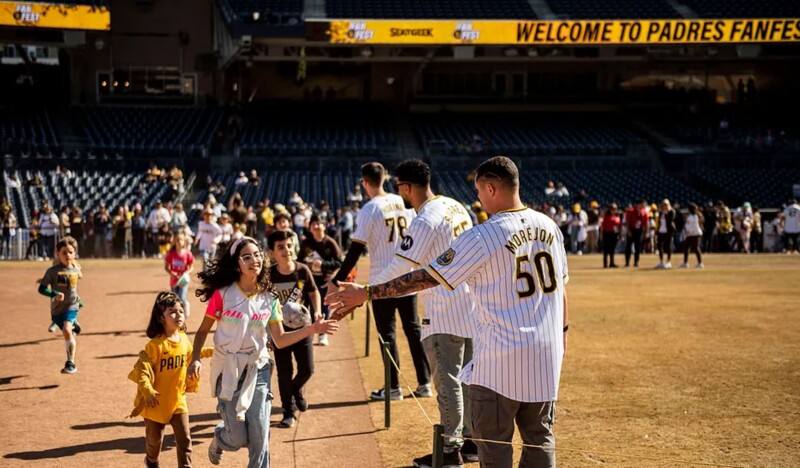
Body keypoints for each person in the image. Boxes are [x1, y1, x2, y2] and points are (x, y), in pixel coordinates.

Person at [328, 156, 569, 468]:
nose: (478, 198)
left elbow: (422, 276)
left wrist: (367, 292)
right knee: (540, 441)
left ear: (492, 188)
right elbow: (563, 289)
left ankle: (452, 449)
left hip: (499, 359)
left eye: (480, 191)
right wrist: (563, 335)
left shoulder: (485, 234)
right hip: (546, 357)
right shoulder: (549, 225)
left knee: (493, 444)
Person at [343, 159, 478, 467]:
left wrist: (364, 292)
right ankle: (472, 442)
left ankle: (450, 452)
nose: (398, 193)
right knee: (468, 378)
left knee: (448, 381)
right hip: (470, 304)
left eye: (399, 187)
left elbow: (401, 265)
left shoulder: (425, 217)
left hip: (445, 310)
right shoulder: (455, 205)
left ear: (407, 186)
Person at [188, 236, 338, 468]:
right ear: (236, 263)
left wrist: (314, 328)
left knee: (260, 436)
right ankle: (221, 437)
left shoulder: (270, 298)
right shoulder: (222, 294)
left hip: (258, 368)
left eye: (257, 255)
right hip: (227, 369)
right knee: (238, 438)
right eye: (246, 257)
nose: (254, 261)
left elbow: (279, 339)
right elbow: (202, 331)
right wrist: (195, 359)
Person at [327, 162, 431, 404]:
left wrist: (337, 279)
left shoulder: (370, 208)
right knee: (413, 330)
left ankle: (393, 387)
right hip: (407, 277)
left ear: (365, 183)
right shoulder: (402, 202)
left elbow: (355, 249)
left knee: (388, 334)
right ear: (384, 178)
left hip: (381, 280)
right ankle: (425, 382)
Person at [129, 292, 214, 468]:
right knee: (154, 442)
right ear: (161, 318)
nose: (179, 315)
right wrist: (148, 391)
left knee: (185, 439)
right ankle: (151, 461)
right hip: (155, 402)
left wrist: (215, 350)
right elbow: (142, 371)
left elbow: (192, 355)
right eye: (172, 312)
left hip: (177, 399)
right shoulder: (155, 346)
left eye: (181, 311)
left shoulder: (183, 338)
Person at [268, 230, 321, 429]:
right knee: (284, 372)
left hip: (302, 329)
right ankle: (288, 412)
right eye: (280, 247)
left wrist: (317, 312)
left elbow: (313, 292)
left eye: (289, 246)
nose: (286, 250)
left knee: (307, 369)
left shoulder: (302, 270)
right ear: (272, 252)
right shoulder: (269, 275)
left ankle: (296, 389)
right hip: (280, 332)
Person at [38, 236, 84, 374]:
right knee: (66, 329)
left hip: (72, 306)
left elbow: (73, 285)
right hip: (57, 310)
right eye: (64, 252)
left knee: (66, 330)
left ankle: (71, 363)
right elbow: (41, 289)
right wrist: (53, 294)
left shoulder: (76, 269)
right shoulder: (52, 271)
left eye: (70, 252)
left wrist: (78, 301)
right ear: (57, 254)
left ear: (75, 254)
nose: (68, 255)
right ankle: (74, 324)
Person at [300, 214, 342, 346]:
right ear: (310, 228)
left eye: (319, 224)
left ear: (325, 226)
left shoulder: (330, 242)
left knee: (324, 307)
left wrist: (323, 264)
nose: (316, 227)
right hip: (309, 281)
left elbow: (339, 262)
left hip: (324, 281)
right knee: (307, 307)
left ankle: (323, 334)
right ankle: (307, 334)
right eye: (313, 225)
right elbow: (300, 260)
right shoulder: (306, 243)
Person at [165, 232, 195, 319]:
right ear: (174, 241)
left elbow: (191, 267)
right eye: (177, 240)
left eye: (181, 240)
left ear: (184, 242)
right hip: (174, 280)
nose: (179, 242)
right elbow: (167, 267)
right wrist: (172, 273)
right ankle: (176, 315)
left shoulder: (187, 254)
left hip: (183, 280)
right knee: (174, 299)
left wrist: (186, 273)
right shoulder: (171, 254)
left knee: (181, 297)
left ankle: (185, 306)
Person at [624, 199, 649, 267]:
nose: (643, 205)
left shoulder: (644, 212)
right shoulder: (631, 211)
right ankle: (627, 262)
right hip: (631, 229)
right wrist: (628, 231)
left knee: (637, 247)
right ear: (639, 204)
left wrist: (645, 232)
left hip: (639, 230)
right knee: (628, 246)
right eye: (642, 204)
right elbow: (627, 222)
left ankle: (636, 262)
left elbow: (646, 223)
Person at [680, 203, 704, 268]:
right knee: (689, 247)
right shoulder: (696, 216)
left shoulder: (690, 217)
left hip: (692, 234)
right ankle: (688, 263)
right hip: (694, 233)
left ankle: (699, 263)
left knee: (694, 248)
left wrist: (687, 232)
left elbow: (688, 226)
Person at [655, 199, 676, 269]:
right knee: (659, 246)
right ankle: (661, 261)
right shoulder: (661, 213)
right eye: (663, 205)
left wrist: (666, 213)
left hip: (668, 231)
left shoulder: (671, 211)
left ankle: (668, 261)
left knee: (668, 245)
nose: (664, 206)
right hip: (661, 231)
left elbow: (671, 219)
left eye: (666, 205)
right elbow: (659, 221)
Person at [600, 203, 621, 268]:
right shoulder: (606, 217)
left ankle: (612, 263)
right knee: (606, 249)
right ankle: (605, 264)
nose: (614, 210)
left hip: (614, 234)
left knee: (612, 249)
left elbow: (619, 227)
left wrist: (620, 234)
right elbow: (602, 226)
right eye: (612, 209)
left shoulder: (617, 217)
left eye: (615, 209)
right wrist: (601, 235)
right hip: (607, 233)